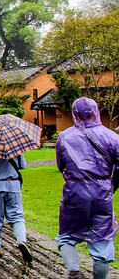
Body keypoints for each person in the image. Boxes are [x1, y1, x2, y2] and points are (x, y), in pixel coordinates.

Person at [55, 97, 119, 279]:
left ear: (74, 113)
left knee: (67, 235)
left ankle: (74, 270)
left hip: (75, 191)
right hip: (102, 193)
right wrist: (112, 185)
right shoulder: (112, 137)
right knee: (102, 239)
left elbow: (61, 165)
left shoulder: (64, 137)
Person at [0, 153, 33, 266]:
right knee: (17, 216)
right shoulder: (15, 146)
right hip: (13, 185)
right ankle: (21, 240)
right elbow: (22, 165)